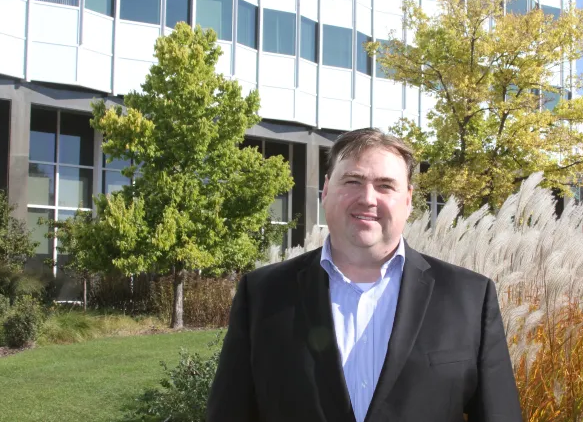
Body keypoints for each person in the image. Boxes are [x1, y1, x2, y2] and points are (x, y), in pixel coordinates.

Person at [207, 128, 522, 422]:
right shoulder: (263, 294)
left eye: (385, 185)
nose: (368, 198)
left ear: (409, 199)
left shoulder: (469, 298)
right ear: (326, 190)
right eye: (353, 181)